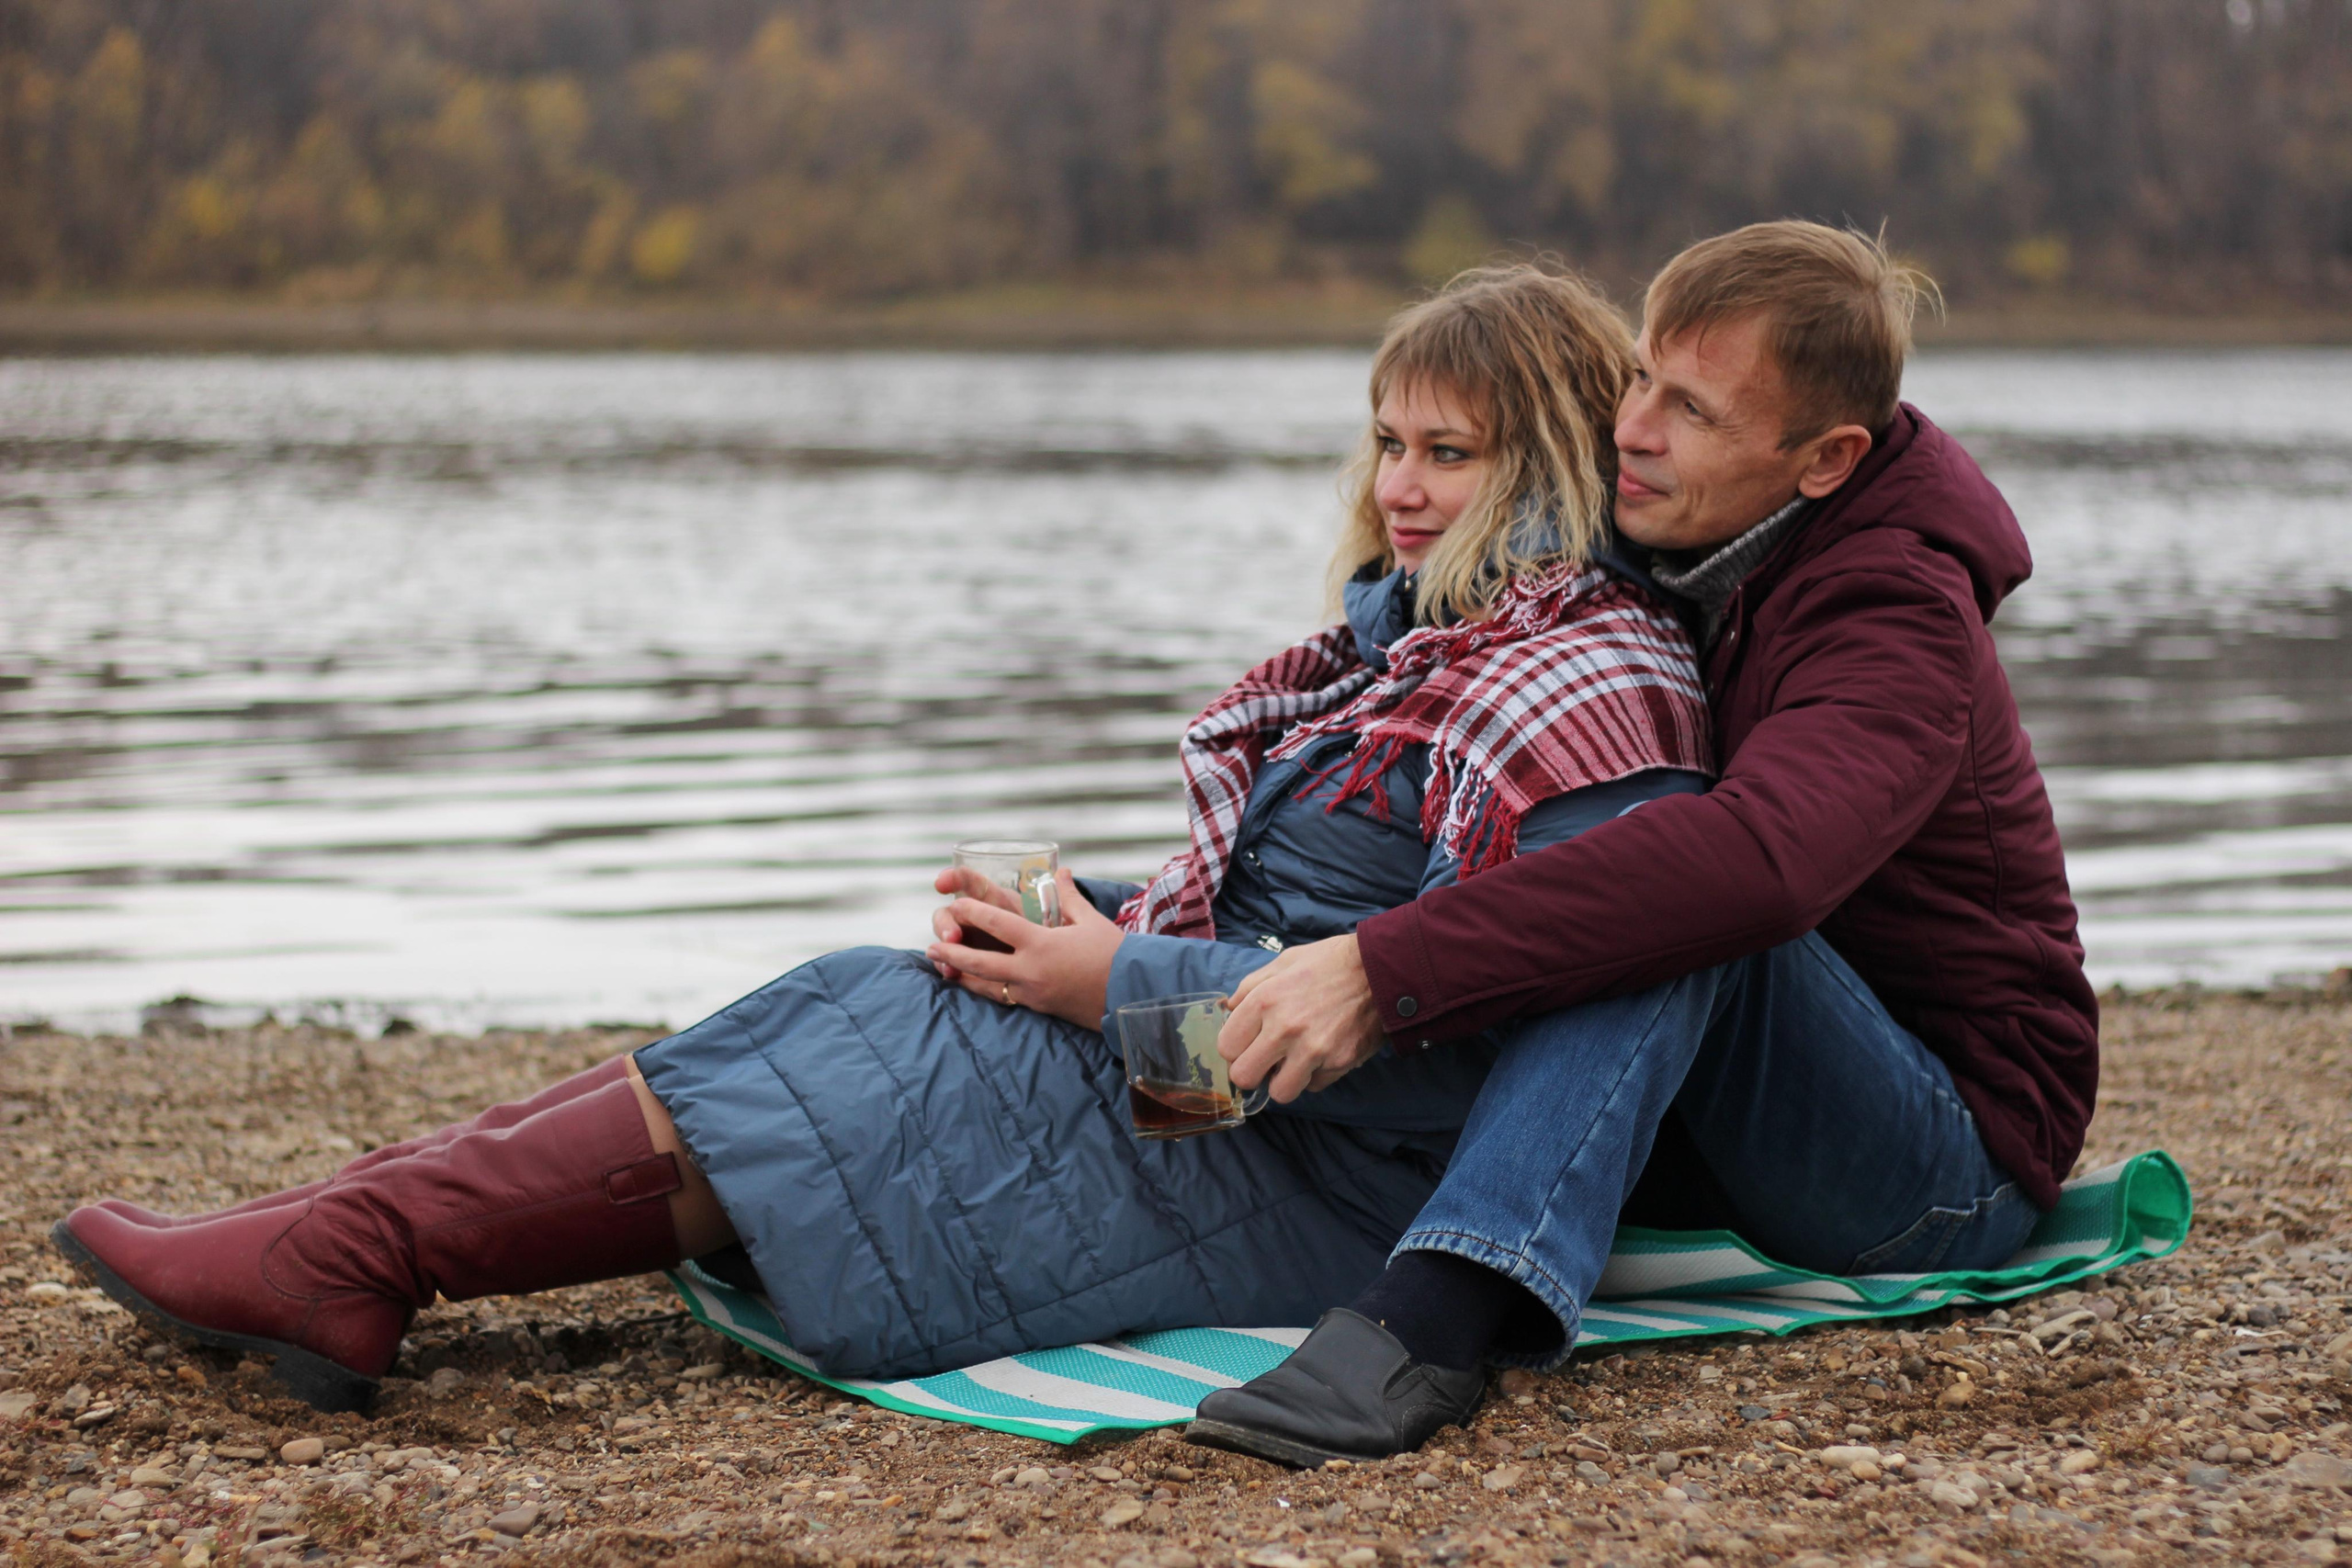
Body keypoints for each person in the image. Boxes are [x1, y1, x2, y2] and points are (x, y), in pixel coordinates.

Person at [51, 263, 1716, 1425]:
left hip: (1335, 1166)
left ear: (1550, 462)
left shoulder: (1584, 694)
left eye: (1450, 453)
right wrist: (1084, 918)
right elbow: (1302, 909)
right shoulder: (1417, 650)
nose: (1401, 487)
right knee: (879, 997)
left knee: (872, 1049)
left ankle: (356, 1255)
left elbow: (1474, 1040)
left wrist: (1112, 977)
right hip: (1232, 1078)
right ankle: (345, 1233)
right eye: (1389, 441)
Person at [1182, 221, 2098, 1467]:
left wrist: (1377, 969)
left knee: (1679, 876)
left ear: (1826, 459)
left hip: (1945, 1160)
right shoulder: (1688, 550)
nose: (1634, 431)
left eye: (1694, 411)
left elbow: (1765, 866)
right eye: (1642, 381)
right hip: (1734, 1107)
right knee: (1595, 875)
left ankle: (1440, 1317)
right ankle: (1183, 1105)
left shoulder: (1895, 612)